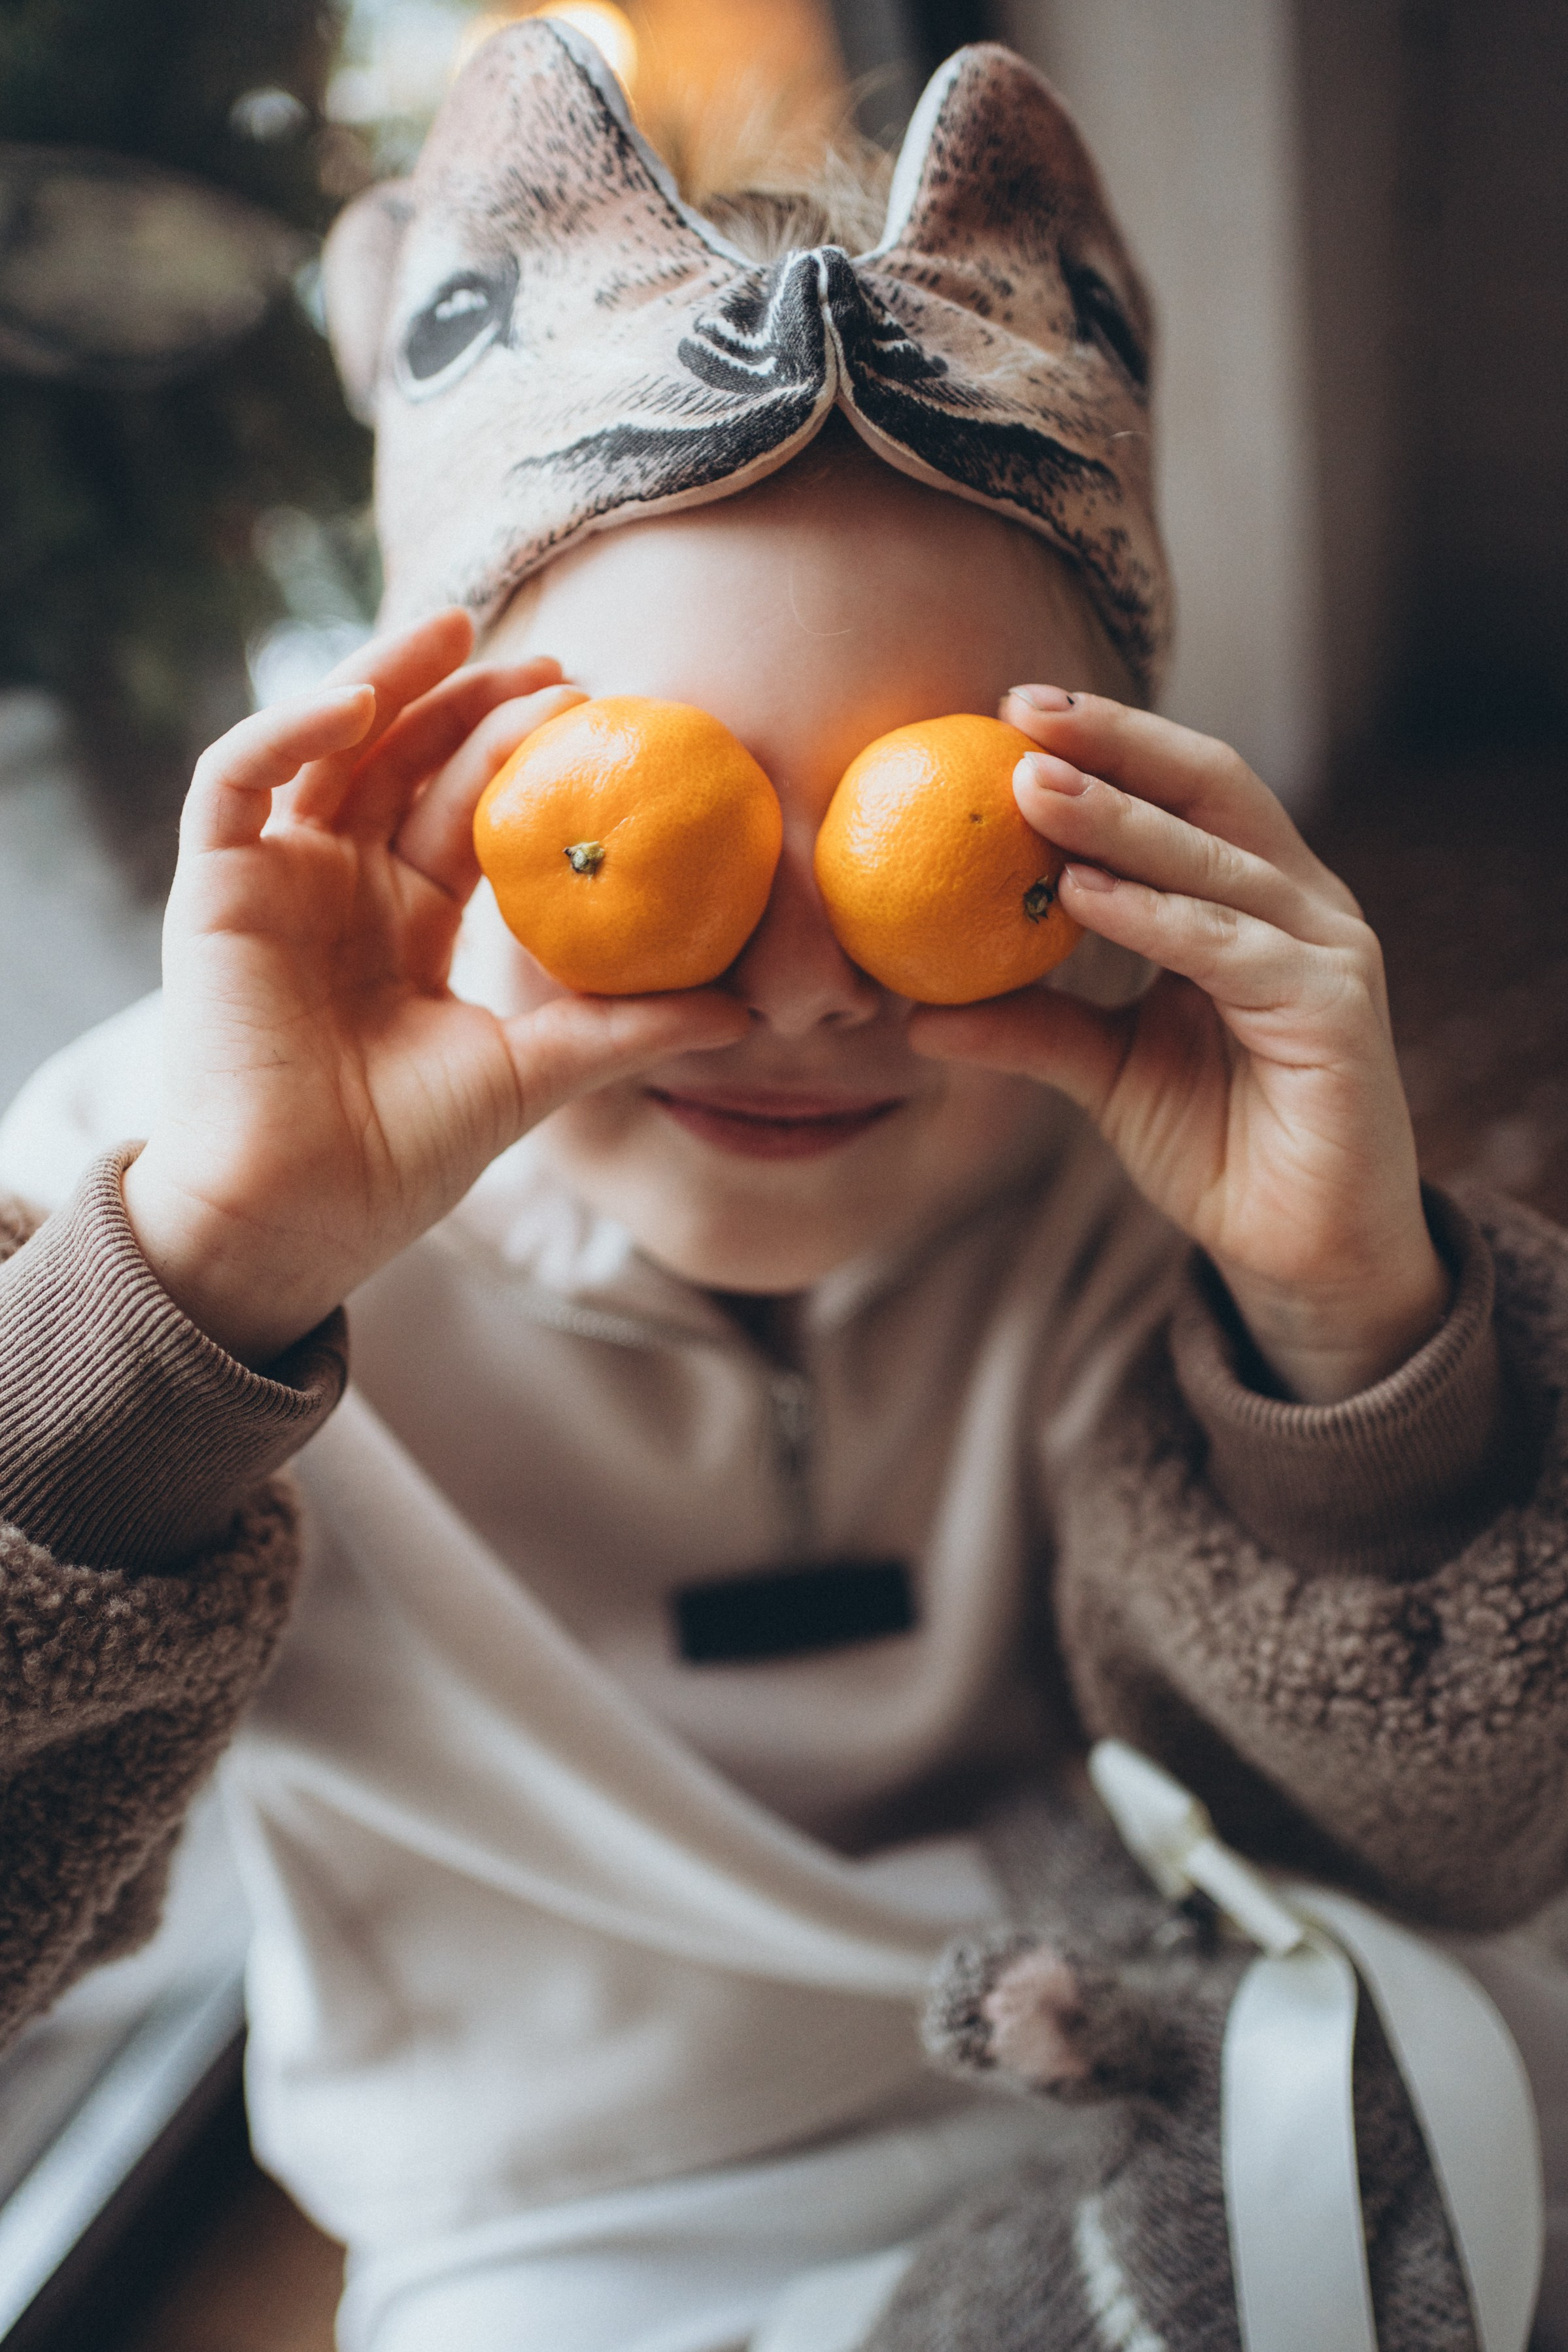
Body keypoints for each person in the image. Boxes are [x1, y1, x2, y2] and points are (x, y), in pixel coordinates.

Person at [3, 26, 1567, 2352]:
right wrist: (196, 1308)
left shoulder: (1162, 1159)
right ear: (431, 780)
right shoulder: (148, 1209)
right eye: (674, 828)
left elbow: (1455, 1847)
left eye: (934, 835)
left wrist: (1354, 1332)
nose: (814, 995)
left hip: (1186, 2052)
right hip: (567, 2234)